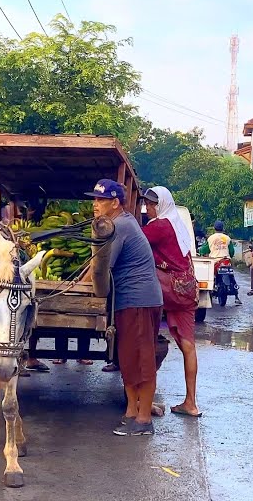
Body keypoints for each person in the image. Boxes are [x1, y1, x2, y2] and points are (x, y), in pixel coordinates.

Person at [86, 178, 162, 437]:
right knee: (128, 359)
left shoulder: (120, 226)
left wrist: (77, 283)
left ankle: (144, 419)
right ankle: (131, 412)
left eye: (101, 200)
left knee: (142, 360)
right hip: (128, 301)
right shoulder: (117, 223)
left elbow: (101, 266)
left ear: (115, 203)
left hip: (139, 301)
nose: (95, 204)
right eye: (95, 199)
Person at [141, 186, 201, 419]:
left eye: (152, 204)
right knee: (188, 345)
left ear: (162, 205)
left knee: (143, 333)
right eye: (147, 204)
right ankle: (191, 403)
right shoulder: (177, 224)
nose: (147, 208)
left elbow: (135, 241)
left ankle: (142, 400)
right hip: (188, 289)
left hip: (171, 286)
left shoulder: (160, 226)